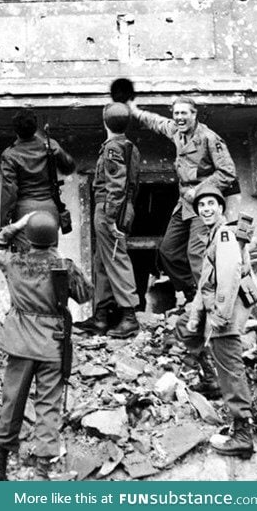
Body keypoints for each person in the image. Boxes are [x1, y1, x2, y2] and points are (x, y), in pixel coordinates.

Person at [0, 210, 77, 481]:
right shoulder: (65, 266)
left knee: (12, 403)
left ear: (29, 236)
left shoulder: (14, 262)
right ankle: (41, 474)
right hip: (53, 345)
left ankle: (0, 469)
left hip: (20, 345)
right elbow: (84, 295)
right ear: (54, 237)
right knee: (48, 408)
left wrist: (17, 225)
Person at [128, 96, 237, 301]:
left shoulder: (209, 138)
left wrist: (199, 191)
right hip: (184, 202)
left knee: (196, 253)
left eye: (184, 113)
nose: (179, 117)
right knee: (168, 251)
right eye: (176, 113)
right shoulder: (177, 131)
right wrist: (134, 110)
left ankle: (208, 301)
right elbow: (157, 122)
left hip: (203, 203)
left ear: (193, 114)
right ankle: (192, 293)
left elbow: (228, 172)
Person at [179, 184, 257, 459]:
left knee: (231, 369)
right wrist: (194, 318)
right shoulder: (215, 233)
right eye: (202, 205)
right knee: (185, 331)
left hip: (226, 311)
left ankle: (243, 434)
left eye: (212, 204)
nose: (206, 209)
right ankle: (211, 381)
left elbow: (229, 276)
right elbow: (205, 283)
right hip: (219, 309)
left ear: (221, 208)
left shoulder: (223, 234)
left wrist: (220, 317)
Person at [75, 103, 141, 339]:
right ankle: (101, 316)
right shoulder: (127, 146)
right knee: (102, 259)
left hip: (109, 207)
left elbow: (117, 184)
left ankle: (129, 317)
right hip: (120, 206)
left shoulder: (113, 147)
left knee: (115, 257)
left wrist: (112, 216)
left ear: (105, 122)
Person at [0, 107, 74, 249]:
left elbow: (9, 192)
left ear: (15, 130)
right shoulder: (50, 145)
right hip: (50, 209)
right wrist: (58, 153)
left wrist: (3, 225)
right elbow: (69, 167)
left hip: (24, 212)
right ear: (35, 128)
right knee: (49, 256)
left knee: (26, 262)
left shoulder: (10, 154)